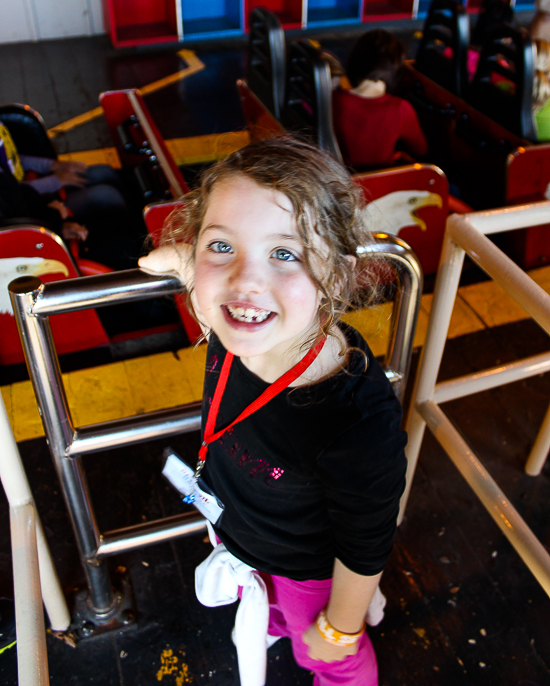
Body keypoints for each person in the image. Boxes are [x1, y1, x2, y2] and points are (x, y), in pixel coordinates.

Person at [139, 137, 407, 686]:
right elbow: (209, 277)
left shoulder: (354, 420)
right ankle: (280, 621)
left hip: (312, 573)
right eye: (221, 247)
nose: (245, 281)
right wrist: (189, 262)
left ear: (336, 277)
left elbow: (365, 545)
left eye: (285, 253)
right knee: (276, 614)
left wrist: (340, 625)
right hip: (244, 533)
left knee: (326, 655)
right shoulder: (240, 318)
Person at [332, 29, 427, 171]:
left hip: (339, 180)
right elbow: (420, 150)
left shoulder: (333, 99)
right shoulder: (400, 108)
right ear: (396, 70)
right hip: (382, 183)